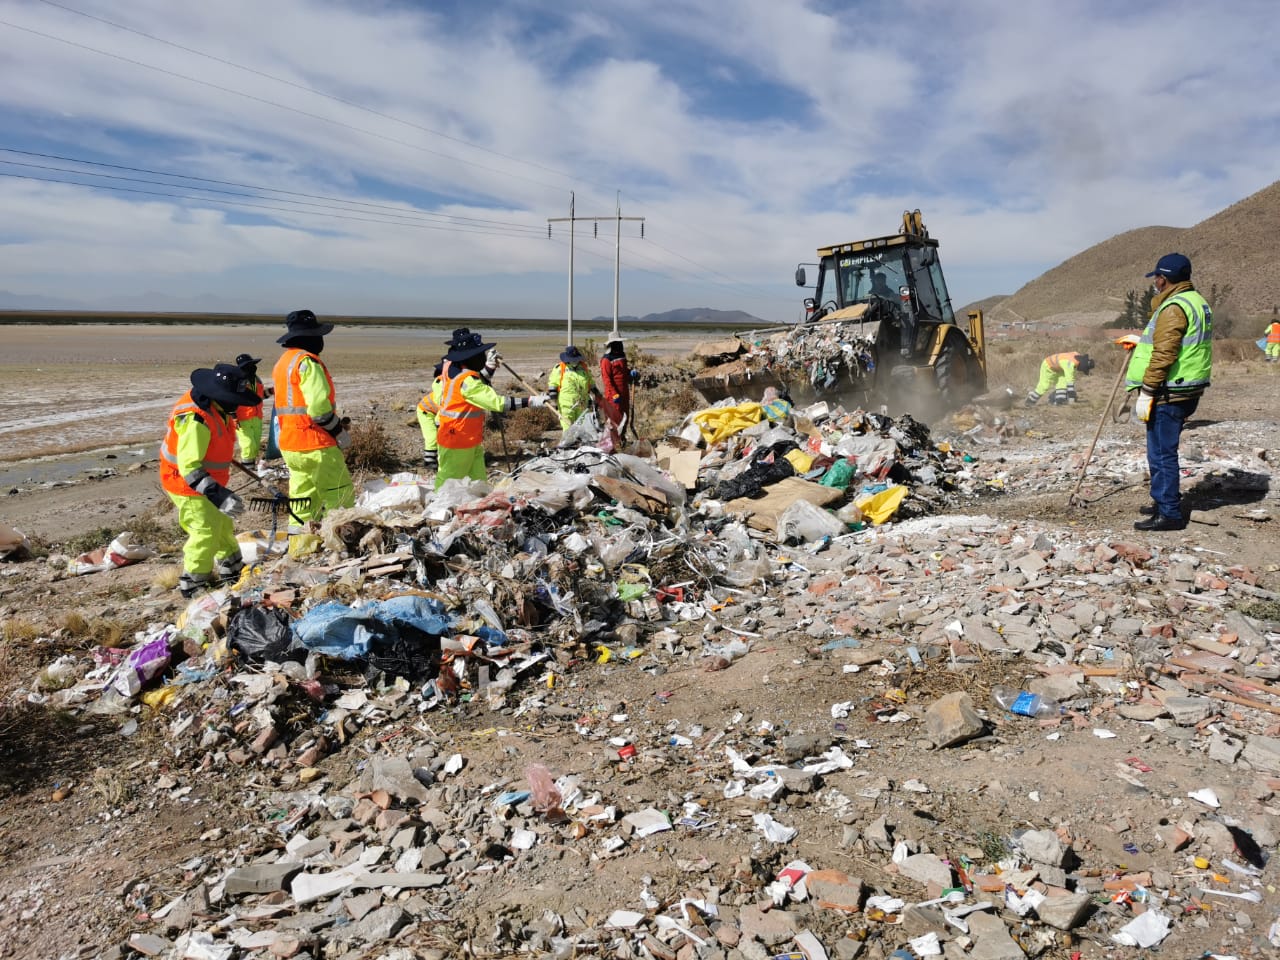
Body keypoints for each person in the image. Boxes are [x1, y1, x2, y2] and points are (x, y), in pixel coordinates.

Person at [1125, 253, 1212, 531]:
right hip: (1187, 387)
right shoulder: (1196, 301)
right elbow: (1173, 343)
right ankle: (1162, 503)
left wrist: (1148, 390)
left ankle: (1170, 514)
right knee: (1163, 451)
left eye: (1157, 277)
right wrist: (1140, 343)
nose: (1156, 282)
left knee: (1161, 453)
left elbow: (1164, 353)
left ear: (1164, 278)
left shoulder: (1174, 307)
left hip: (1169, 390)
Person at [160, 363, 262, 598]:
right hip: (186, 484)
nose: (238, 404)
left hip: (208, 481)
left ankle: (232, 569)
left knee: (222, 524)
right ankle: (193, 584)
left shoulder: (216, 407)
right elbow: (190, 467)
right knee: (204, 531)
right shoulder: (196, 420)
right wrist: (219, 494)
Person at [271, 309, 355, 523]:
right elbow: (318, 409)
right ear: (310, 337)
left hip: (291, 446)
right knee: (339, 495)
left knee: (302, 502)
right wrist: (338, 431)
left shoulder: (283, 363)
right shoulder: (307, 362)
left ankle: (300, 548)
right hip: (316, 445)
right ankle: (343, 546)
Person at [435, 330, 546, 489]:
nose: (482, 356)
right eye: (480, 354)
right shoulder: (468, 383)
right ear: (471, 357)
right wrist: (531, 401)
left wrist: (490, 366)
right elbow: (498, 403)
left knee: (479, 483)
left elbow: (479, 378)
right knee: (448, 484)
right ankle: (437, 511)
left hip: (469, 439)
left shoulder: (451, 366)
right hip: (456, 441)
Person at [547, 344, 598, 432]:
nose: (575, 362)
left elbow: (590, 382)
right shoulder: (560, 368)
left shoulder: (583, 368)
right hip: (566, 405)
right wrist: (553, 401)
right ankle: (568, 445)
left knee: (582, 428)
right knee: (568, 429)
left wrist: (597, 393)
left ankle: (580, 445)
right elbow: (553, 385)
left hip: (582, 404)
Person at [232, 352, 269, 462]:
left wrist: (271, 391)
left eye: (252, 364)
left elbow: (260, 397)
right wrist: (233, 417)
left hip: (256, 417)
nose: (252, 367)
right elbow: (231, 399)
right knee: (248, 444)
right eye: (248, 365)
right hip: (242, 419)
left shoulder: (256, 380)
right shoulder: (237, 381)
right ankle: (247, 468)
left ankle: (251, 466)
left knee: (255, 445)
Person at [1025, 351, 1096, 405]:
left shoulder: (1077, 357)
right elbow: (1070, 380)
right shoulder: (1069, 364)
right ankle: (1030, 401)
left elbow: (1070, 378)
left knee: (1062, 382)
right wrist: (1071, 395)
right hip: (1048, 365)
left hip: (1059, 368)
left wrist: (1071, 393)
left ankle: (1060, 401)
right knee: (1044, 385)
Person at [417, 359, 446, 470]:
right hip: (425, 412)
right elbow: (442, 407)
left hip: (433, 412)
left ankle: (436, 460)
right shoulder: (440, 384)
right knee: (432, 437)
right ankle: (429, 462)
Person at [598, 337, 632, 432]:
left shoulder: (622, 356)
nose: (619, 344)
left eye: (619, 342)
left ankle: (622, 439)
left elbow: (623, 372)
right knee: (614, 418)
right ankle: (612, 441)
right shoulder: (606, 360)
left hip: (624, 391)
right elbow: (607, 380)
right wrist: (614, 394)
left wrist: (630, 373)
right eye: (616, 342)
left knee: (625, 416)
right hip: (613, 394)